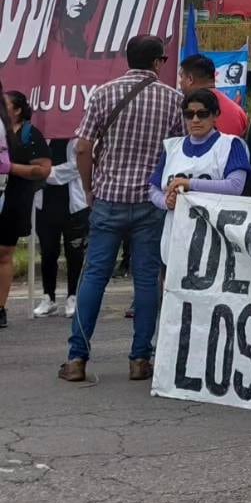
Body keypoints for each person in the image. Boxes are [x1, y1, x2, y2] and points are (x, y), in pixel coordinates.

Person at [62, 34, 182, 383]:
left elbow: (83, 148)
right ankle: (139, 360)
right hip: (150, 201)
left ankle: (76, 359)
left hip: (108, 198)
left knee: (94, 277)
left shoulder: (103, 93)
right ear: (158, 62)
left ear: (128, 58)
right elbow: (175, 152)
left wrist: (88, 188)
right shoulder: (173, 100)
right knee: (146, 281)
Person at [149, 89, 251, 233]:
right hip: (176, 233)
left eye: (202, 114)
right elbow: (154, 189)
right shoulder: (172, 147)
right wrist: (166, 202)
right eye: (189, 115)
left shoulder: (231, 145)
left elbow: (235, 186)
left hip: (216, 233)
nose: (195, 120)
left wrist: (189, 184)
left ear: (215, 115)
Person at [0, 92, 49, 328]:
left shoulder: (29, 135)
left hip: (13, 200)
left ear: (17, 110)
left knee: (3, 253)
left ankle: (0, 308)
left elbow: (43, 169)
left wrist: (10, 168)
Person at [33, 138, 88, 318]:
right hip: (46, 203)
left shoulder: (78, 137)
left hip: (74, 205)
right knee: (48, 252)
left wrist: (46, 172)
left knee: (75, 253)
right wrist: (40, 171)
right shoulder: (41, 137)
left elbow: (78, 165)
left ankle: (73, 296)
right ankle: (48, 296)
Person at [178, 54, 249, 136]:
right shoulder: (238, 112)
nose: (180, 82)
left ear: (190, 79)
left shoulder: (184, 109)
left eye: (181, 77)